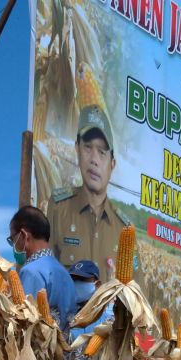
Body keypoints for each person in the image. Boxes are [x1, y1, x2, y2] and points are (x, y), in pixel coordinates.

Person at [47, 105, 130, 273]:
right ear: (77, 149)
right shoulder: (59, 208)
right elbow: (45, 276)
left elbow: (137, 294)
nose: (94, 160)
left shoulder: (124, 230)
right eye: (87, 147)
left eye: (102, 152)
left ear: (112, 164)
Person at [9, 205, 76, 332]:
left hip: (38, 351)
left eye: (13, 239)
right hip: (64, 349)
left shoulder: (31, 272)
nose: (13, 245)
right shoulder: (65, 274)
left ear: (24, 235)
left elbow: (25, 326)